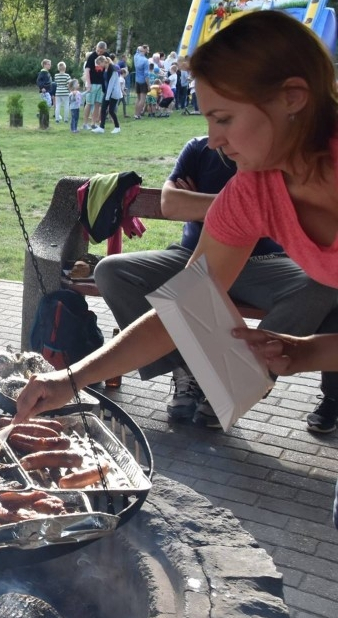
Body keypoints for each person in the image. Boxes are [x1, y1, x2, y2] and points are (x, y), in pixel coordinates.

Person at [13, 10, 338, 526]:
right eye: (207, 119)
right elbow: (183, 306)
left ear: (293, 98)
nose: (211, 139)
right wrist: (70, 380)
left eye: (224, 118)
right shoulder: (252, 189)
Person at [95, 134, 338, 428]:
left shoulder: (276, 164)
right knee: (111, 270)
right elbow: (170, 204)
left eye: (223, 116)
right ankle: (188, 370)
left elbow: (266, 204)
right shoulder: (199, 149)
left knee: (323, 285)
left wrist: (208, 204)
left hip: (266, 265)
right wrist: (241, 207)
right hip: (194, 255)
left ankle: (244, 377)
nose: (215, 137)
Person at [82, 41, 108, 130]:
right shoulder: (92, 56)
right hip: (92, 83)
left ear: (104, 50)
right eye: (98, 50)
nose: (99, 53)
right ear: (96, 48)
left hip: (101, 84)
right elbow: (87, 71)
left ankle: (93, 123)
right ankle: (85, 123)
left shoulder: (106, 56)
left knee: (98, 104)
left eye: (101, 51)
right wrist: (88, 84)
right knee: (89, 103)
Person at [95, 58, 123, 134]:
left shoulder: (113, 70)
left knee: (111, 111)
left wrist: (107, 97)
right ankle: (101, 127)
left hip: (113, 93)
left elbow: (111, 84)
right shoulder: (105, 70)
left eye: (99, 64)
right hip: (107, 92)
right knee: (103, 109)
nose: (99, 66)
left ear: (103, 62)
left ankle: (117, 127)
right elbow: (104, 82)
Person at [133, 44, 149, 119]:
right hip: (143, 81)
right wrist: (148, 85)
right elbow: (146, 75)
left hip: (137, 80)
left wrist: (140, 48)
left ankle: (135, 113)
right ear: (145, 51)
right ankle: (138, 114)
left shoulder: (136, 57)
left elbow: (137, 49)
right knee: (142, 99)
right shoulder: (145, 61)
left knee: (138, 98)